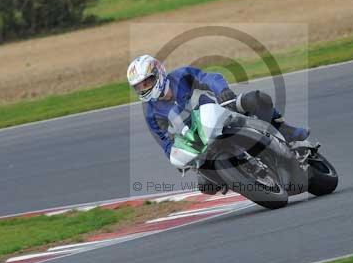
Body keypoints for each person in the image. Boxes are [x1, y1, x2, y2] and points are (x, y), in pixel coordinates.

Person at [127, 55, 309, 193]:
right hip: (198, 140)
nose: (144, 88)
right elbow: (164, 140)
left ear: (158, 73)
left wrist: (223, 91)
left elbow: (209, 78)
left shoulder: (182, 76)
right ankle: (239, 177)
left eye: (147, 82)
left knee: (256, 99)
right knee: (206, 186)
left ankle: (286, 132)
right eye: (139, 86)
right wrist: (176, 157)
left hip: (221, 110)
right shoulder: (151, 111)